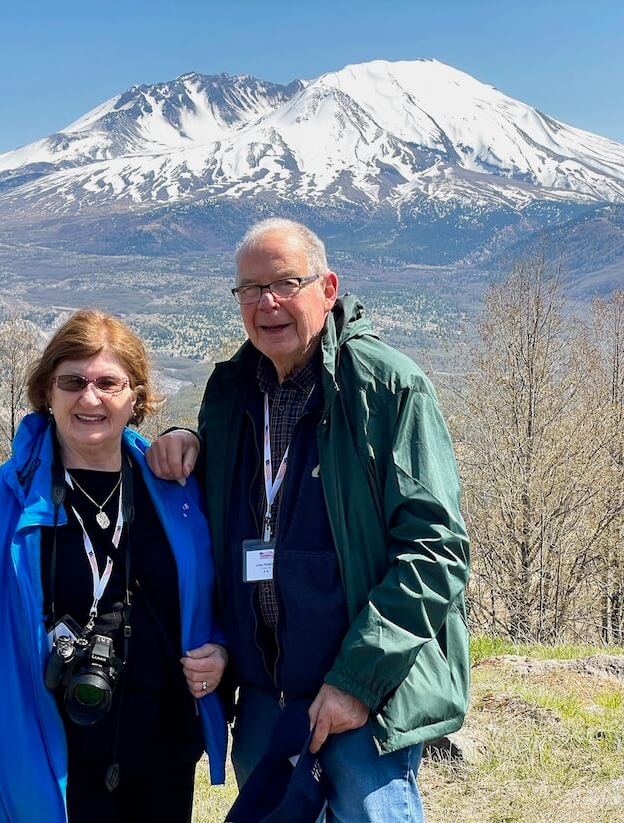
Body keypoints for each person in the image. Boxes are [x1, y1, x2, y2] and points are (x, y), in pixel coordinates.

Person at [147, 218, 470, 822]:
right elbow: (219, 529)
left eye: (285, 283)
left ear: (328, 288)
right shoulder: (231, 392)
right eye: (249, 289)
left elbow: (434, 551)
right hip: (265, 697)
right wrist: (185, 438)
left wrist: (357, 682)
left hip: (360, 696)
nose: (266, 302)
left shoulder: (385, 388)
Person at [0, 309, 228, 823]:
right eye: (73, 382)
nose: (90, 398)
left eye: (108, 383)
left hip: (164, 747)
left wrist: (219, 648)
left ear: (136, 397)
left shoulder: (177, 493)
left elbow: (215, 594)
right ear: (47, 391)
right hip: (45, 755)